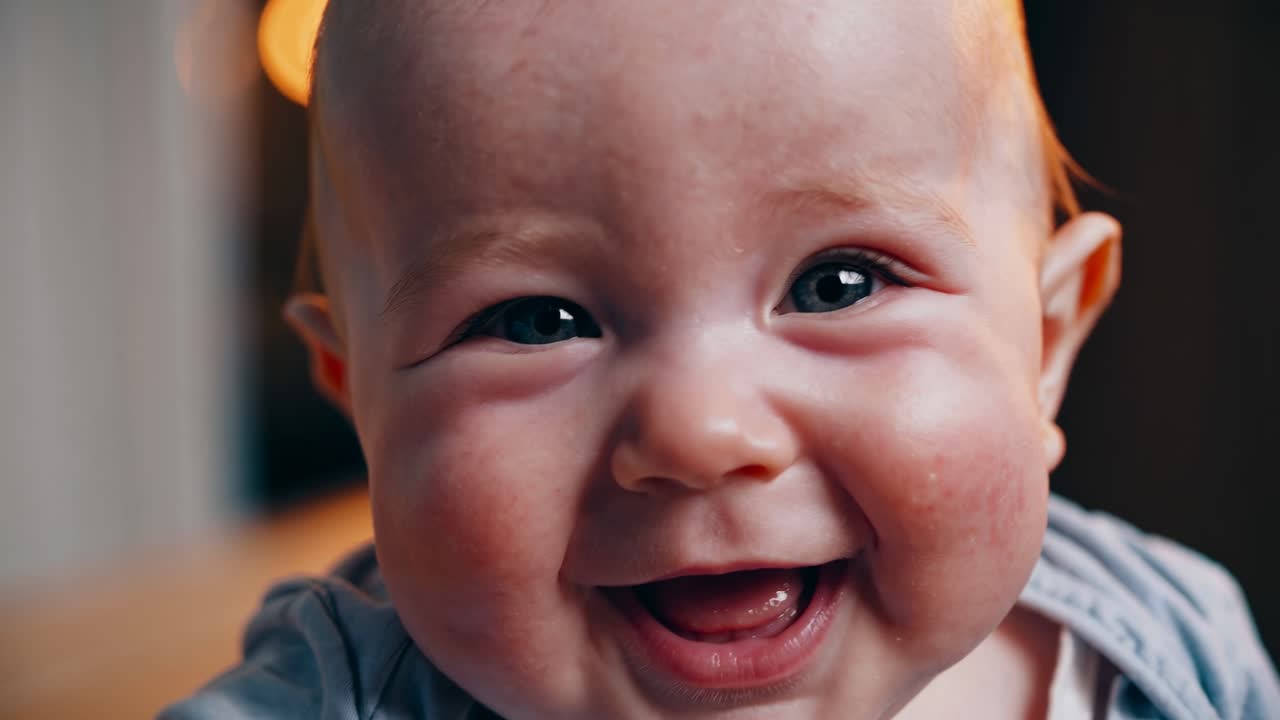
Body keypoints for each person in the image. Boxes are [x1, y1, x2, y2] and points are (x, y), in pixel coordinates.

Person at [162, 1, 1280, 718]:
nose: (700, 433)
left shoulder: (1170, 646)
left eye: (837, 283)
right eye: (535, 320)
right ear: (359, 402)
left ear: (1043, 341)